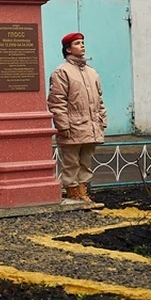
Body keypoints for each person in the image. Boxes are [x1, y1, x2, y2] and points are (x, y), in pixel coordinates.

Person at [47, 32, 107, 203]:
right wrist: (63, 125)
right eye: (77, 43)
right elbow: (57, 101)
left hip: (92, 126)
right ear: (68, 49)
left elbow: (99, 100)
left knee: (86, 161)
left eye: (82, 42)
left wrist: (102, 119)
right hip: (72, 126)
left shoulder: (92, 72)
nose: (82, 45)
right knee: (71, 162)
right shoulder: (62, 72)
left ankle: (83, 192)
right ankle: (73, 193)